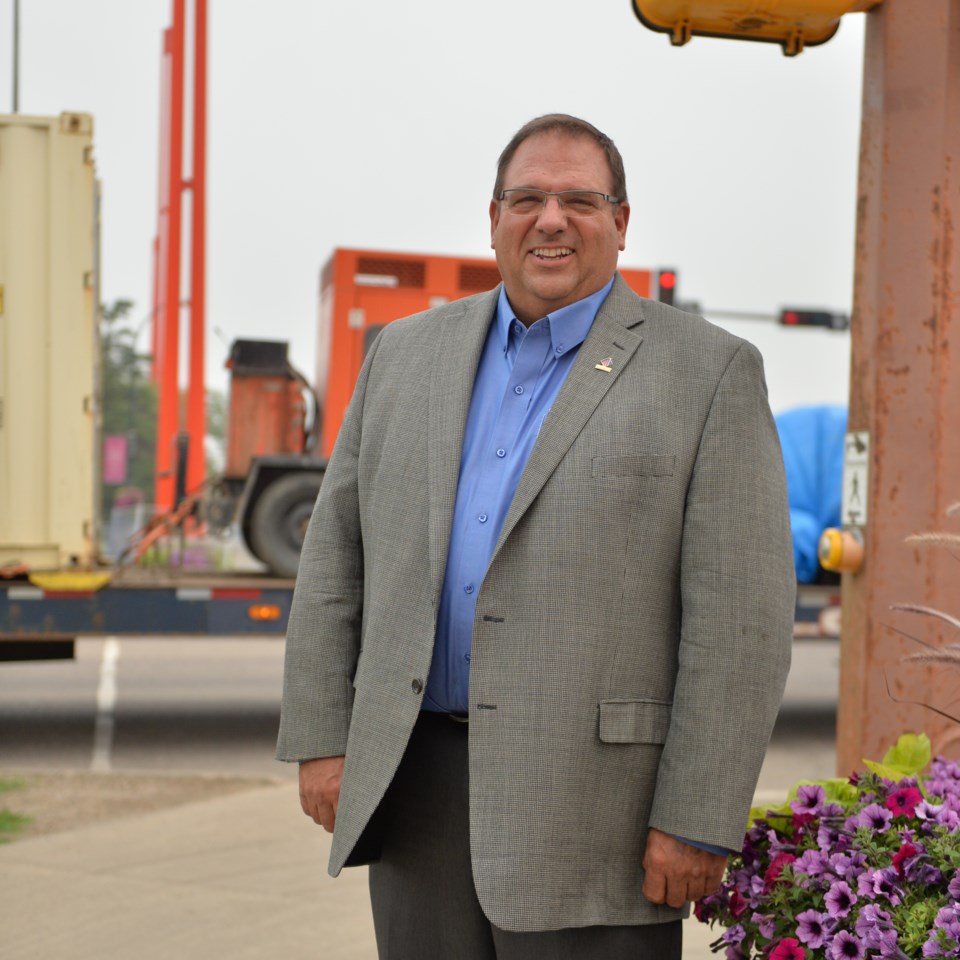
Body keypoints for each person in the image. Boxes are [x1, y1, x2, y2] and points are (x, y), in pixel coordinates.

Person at [277, 113, 795, 959]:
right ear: (493, 217)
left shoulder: (707, 373)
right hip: (415, 789)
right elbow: (335, 558)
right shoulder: (403, 355)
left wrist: (697, 818)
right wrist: (321, 736)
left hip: (599, 813)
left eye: (579, 200)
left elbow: (739, 625)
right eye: (527, 198)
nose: (550, 219)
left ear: (620, 223)